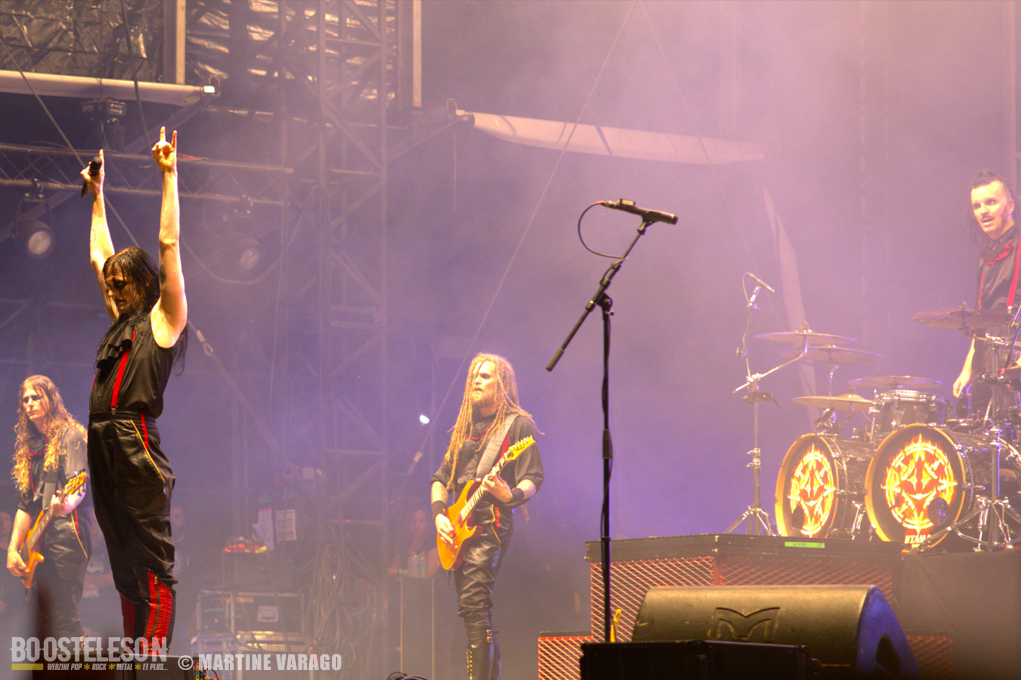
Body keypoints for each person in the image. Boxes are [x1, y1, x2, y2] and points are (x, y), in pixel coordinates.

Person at [80, 127, 187, 649]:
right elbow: (98, 257)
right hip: (102, 443)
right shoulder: (119, 324)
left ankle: (154, 660)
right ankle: (133, 660)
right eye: (112, 285)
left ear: (143, 283)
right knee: (122, 560)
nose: (114, 289)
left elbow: (169, 245)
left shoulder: (163, 321)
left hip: (134, 443)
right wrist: (98, 197)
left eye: (122, 283)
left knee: (148, 560)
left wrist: (169, 175)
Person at [431, 353, 543, 680]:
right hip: (459, 527)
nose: (476, 381)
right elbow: (440, 479)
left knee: (474, 603)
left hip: (490, 524)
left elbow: (533, 478)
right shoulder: (464, 428)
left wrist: (511, 495)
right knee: (472, 610)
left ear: (502, 384)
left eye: (484, 376)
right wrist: (439, 516)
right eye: (473, 376)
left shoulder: (517, 424)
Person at [5, 376, 91, 638]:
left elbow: (79, 483)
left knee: (65, 618)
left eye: (36, 397)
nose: (30, 403)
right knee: (44, 622)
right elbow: (25, 505)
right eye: (25, 399)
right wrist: (13, 548)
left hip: (68, 532)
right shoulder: (31, 446)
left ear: (51, 399)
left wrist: (65, 505)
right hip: (40, 539)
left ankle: (80, 663)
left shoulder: (70, 435)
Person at [953, 171, 1021, 416]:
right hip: (986, 362)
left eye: (991, 202)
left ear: (1009, 205)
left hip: (1014, 362)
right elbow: (980, 319)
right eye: (977, 205)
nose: (983, 211)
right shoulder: (986, 255)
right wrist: (968, 368)